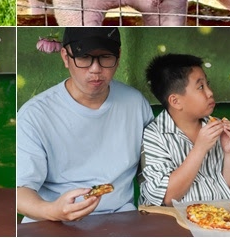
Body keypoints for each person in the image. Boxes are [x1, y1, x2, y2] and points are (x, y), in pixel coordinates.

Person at [16, 26, 152, 222]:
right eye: (84, 57)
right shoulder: (34, 115)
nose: (95, 69)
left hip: (120, 220)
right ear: (65, 57)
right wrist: (52, 211)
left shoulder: (135, 103)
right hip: (52, 224)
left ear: (119, 56)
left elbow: (154, 171)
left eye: (105, 57)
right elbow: (21, 191)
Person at [140, 53, 230, 206]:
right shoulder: (155, 135)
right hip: (174, 223)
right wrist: (200, 149)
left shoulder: (214, 127)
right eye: (201, 87)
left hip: (219, 218)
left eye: (207, 84)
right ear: (176, 101)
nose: (210, 92)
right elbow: (167, 197)